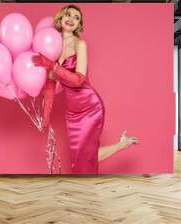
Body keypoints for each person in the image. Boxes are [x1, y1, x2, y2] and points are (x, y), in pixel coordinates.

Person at [32, 4, 139, 174]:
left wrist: (52, 65)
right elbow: (50, 85)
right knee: (80, 157)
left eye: (77, 18)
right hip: (72, 113)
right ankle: (122, 144)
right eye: (69, 14)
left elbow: (79, 80)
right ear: (60, 18)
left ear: (78, 24)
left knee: (84, 158)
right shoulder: (52, 46)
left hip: (90, 107)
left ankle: (85, 194)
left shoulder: (80, 44)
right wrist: (46, 115)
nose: (72, 19)